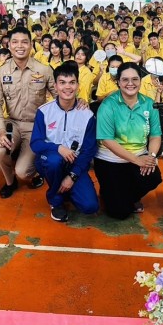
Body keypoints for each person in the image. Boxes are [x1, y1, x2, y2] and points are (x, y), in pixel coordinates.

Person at [0, 27, 56, 198]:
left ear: (31, 45)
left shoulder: (44, 70)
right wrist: (1, 130)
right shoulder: (0, 72)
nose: (20, 46)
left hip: (35, 126)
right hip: (12, 124)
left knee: (23, 171)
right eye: (15, 42)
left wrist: (78, 103)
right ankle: (10, 181)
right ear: (9, 45)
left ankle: (35, 171)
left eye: (24, 42)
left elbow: (59, 96)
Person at [30, 61, 99, 222]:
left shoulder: (87, 115)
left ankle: (66, 187)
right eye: (62, 82)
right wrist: (58, 148)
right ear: (55, 85)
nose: (67, 87)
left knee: (90, 206)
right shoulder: (44, 111)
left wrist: (72, 177)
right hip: (50, 160)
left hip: (75, 164)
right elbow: (35, 143)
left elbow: (89, 150)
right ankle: (55, 201)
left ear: (78, 85)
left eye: (72, 82)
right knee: (54, 161)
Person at [95, 62, 163, 219]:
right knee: (119, 213)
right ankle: (111, 194)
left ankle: (127, 197)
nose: (130, 83)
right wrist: (137, 161)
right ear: (118, 82)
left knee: (153, 177)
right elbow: (106, 140)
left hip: (139, 156)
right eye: (125, 79)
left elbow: (155, 135)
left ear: (140, 80)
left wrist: (151, 157)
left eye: (135, 79)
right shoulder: (108, 105)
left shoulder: (149, 103)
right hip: (110, 160)